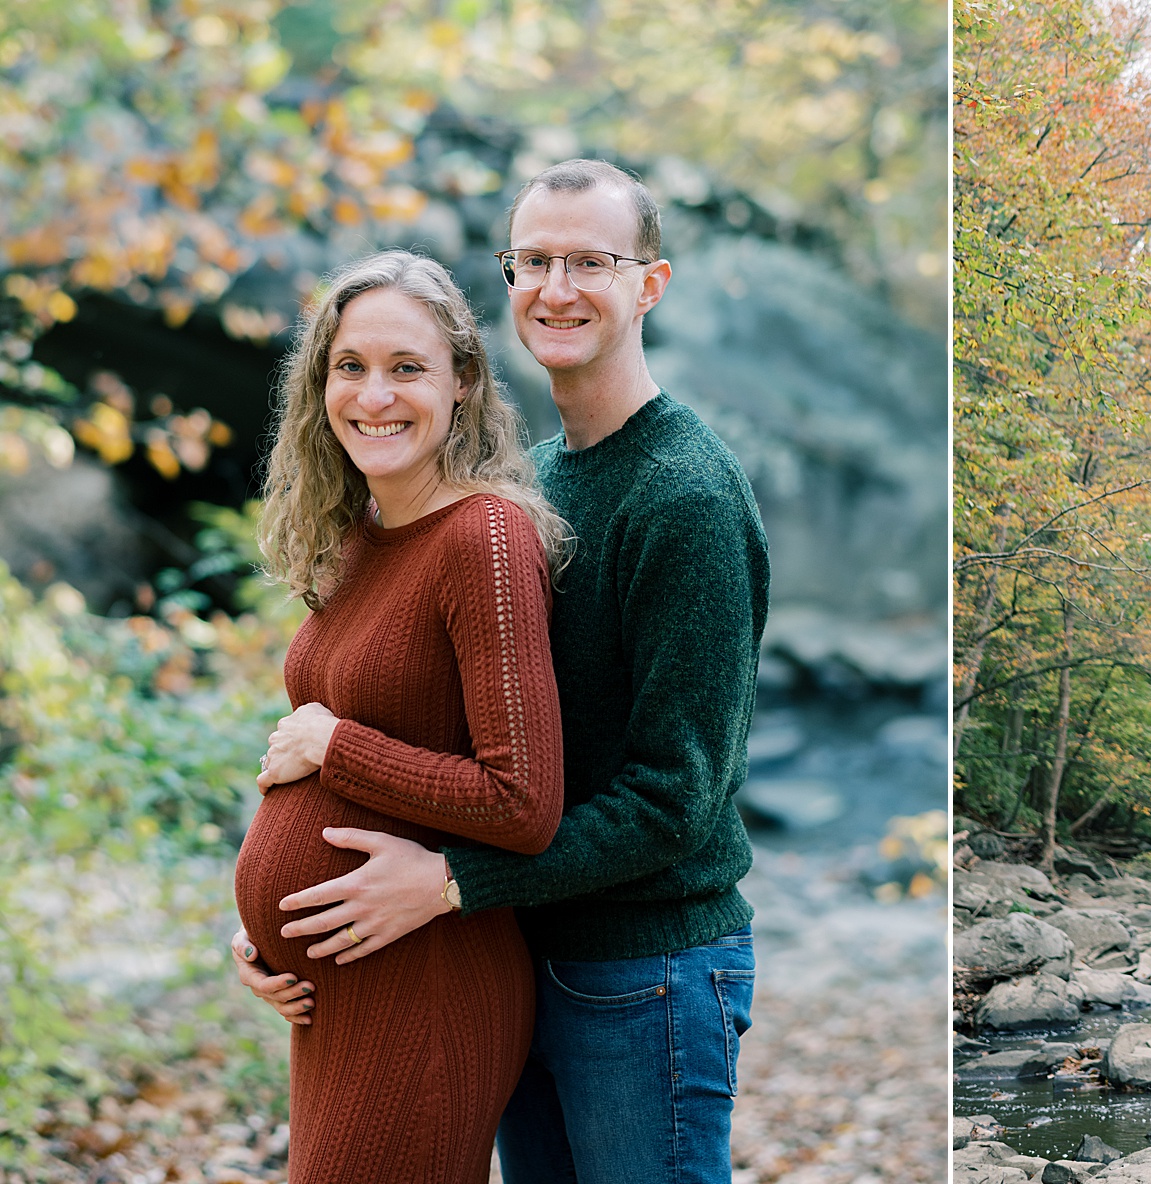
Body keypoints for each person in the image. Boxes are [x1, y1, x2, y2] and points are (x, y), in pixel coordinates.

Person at [232, 160, 769, 1184]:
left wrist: (449, 880)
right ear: (508, 277)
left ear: (649, 284)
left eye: (589, 261)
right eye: (534, 260)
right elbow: (459, 731)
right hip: (519, 942)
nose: (556, 286)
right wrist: (286, 921)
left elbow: (677, 796)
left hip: (642, 967)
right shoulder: (545, 478)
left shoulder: (685, 494)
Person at [232, 249, 570, 1183]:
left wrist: (336, 743)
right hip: (342, 992)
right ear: (321, 383)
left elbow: (523, 801)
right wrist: (262, 932)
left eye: (407, 368)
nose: (374, 395)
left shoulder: (486, 540)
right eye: (351, 366)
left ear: (462, 382)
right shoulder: (360, 537)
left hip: (428, 988)